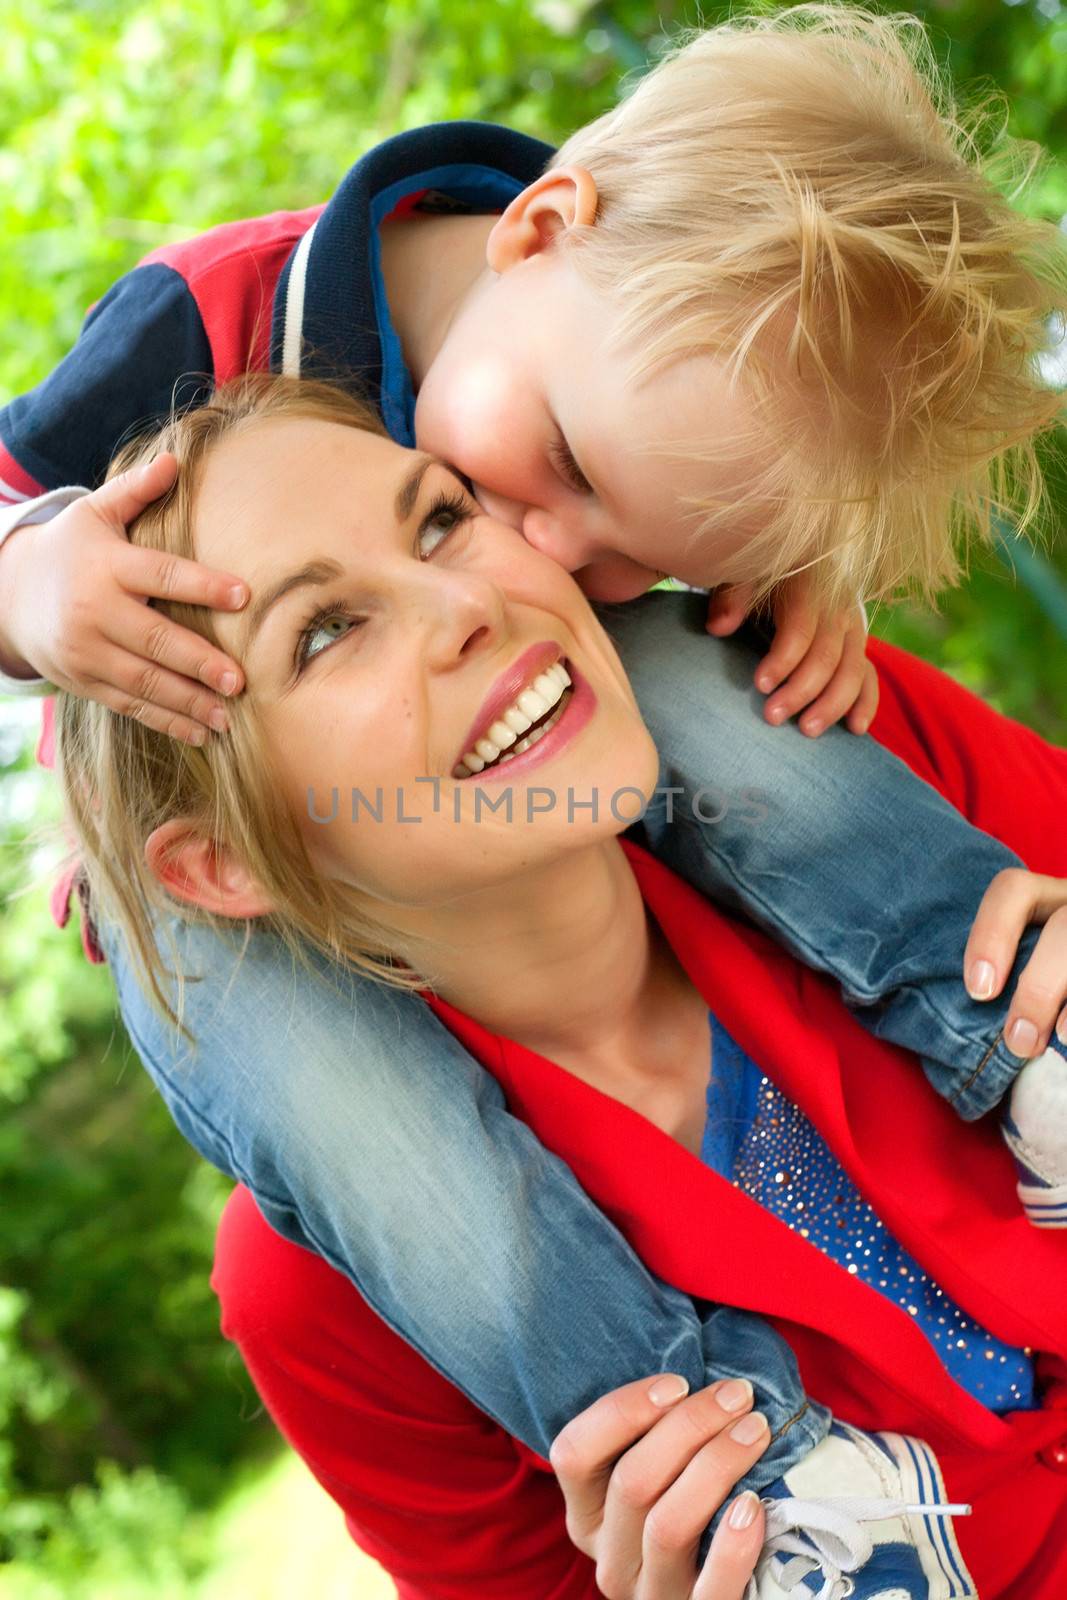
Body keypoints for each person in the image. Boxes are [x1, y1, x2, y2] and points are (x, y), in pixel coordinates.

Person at [3, 0, 1067, 1537]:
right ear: (532, 227)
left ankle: (1016, 1045)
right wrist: (33, 581)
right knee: (360, 1125)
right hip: (152, 770)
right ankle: (743, 1481)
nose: (542, 555)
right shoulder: (206, 312)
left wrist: (776, 556)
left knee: (730, 697)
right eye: (550, 476)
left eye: (447, 515)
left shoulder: (655, 503)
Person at [54, 372, 1067, 1598]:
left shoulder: (834, 739)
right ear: (218, 865)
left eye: (438, 519)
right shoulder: (325, 1300)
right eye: (323, 632)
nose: (467, 599)